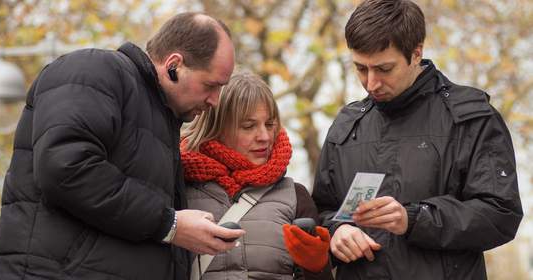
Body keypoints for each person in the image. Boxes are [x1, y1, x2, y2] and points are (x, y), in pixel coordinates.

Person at [0, 12, 245, 280]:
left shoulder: (161, 122)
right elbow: (66, 167)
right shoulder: (93, 70)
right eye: (211, 85)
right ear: (174, 65)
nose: (215, 100)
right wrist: (171, 224)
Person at [312, 0, 523, 279]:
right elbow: (320, 213)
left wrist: (414, 219)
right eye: (361, 69)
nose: (371, 82)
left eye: (384, 69)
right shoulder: (346, 125)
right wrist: (336, 232)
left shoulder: (471, 118)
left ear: (416, 53)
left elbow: (500, 214)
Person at [180, 71, 333, 280]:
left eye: (269, 125)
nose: (264, 137)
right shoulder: (178, 186)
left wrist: (317, 267)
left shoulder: (296, 196)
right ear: (217, 127)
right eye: (249, 126)